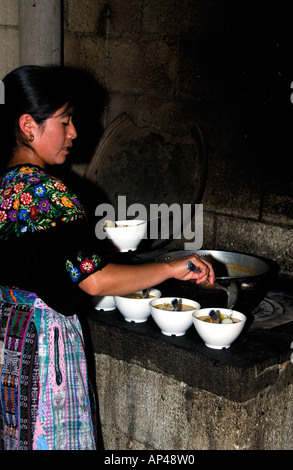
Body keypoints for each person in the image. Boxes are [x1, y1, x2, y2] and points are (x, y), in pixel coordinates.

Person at [0, 65, 215, 450]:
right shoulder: (46, 192)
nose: (74, 133)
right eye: (65, 122)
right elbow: (94, 280)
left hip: (9, 339)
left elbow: (42, 255)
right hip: (45, 347)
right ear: (28, 125)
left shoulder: (6, 183)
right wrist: (174, 266)